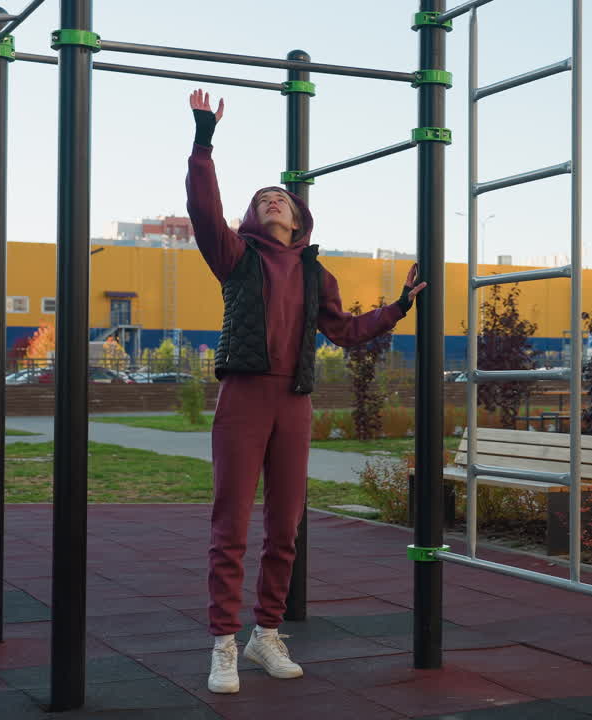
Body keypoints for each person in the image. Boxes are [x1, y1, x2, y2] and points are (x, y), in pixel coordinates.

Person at [185, 88, 426, 695]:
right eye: (261, 199)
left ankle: (265, 634)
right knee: (230, 525)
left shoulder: (319, 272)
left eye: (281, 199)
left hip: (293, 404)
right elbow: (203, 207)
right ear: (250, 218)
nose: (271, 202)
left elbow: (345, 332)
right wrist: (204, 139)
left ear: (297, 218)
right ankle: (223, 643)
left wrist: (397, 308)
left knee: (287, 525)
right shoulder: (235, 256)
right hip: (243, 399)